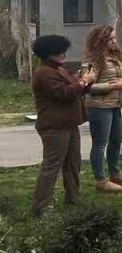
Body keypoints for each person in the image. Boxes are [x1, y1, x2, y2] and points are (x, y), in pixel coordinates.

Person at [31, 35, 90, 216]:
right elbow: (63, 93)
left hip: (69, 124)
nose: (64, 54)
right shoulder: (44, 73)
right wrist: (83, 82)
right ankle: (40, 208)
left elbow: (75, 89)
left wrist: (84, 82)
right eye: (60, 51)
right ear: (50, 53)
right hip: (54, 126)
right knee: (52, 167)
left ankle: (73, 198)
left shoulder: (60, 69)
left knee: (73, 164)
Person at [81, 26, 122, 194]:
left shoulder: (112, 56)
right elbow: (88, 87)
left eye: (114, 38)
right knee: (100, 143)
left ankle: (115, 173)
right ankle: (101, 180)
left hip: (114, 104)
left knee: (116, 139)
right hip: (99, 106)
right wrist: (114, 86)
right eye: (111, 39)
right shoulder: (93, 60)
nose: (114, 41)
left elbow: (112, 77)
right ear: (101, 41)